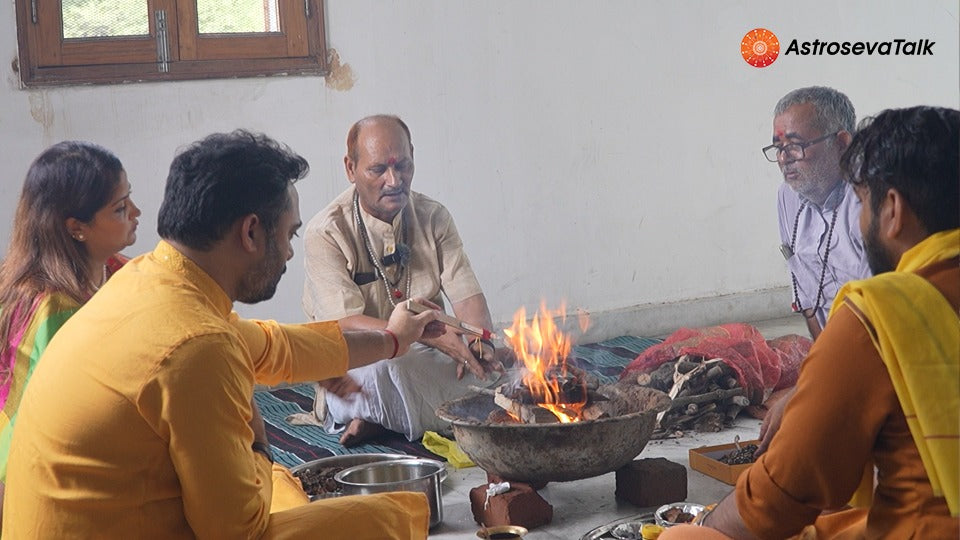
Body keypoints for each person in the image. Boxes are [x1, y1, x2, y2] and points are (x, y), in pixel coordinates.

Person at [2, 130, 443, 539]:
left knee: (299, 496)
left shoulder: (147, 279)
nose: (290, 252)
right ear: (250, 232)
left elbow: (276, 347)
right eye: (288, 235)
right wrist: (260, 443)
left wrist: (393, 340)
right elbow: (237, 532)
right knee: (383, 518)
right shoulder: (197, 346)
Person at [663, 106, 959, 539]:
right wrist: (813, 385)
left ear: (893, 209)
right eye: (778, 147)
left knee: (684, 538)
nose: (786, 157)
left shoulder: (882, 312)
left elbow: (780, 497)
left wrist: (703, 523)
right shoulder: (789, 202)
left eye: (864, 203)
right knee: (839, 521)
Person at [301, 114, 507, 447]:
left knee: (507, 361)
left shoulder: (433, 216)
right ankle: (402, 414)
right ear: (350, 168)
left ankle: (386, 421)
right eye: (378, 169)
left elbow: (467, 297)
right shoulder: (326, 231)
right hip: (359, 364)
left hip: (426, 355)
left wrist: (478, 345)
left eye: (403, 166)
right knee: (392, 372)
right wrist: (425, 335)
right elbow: (343, 324)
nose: (394, 180)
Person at [0, 141, 140, 525]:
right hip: (32, 481)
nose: (136, 213)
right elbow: (65, 423)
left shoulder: (118, 271)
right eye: (120, 208)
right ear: (76, 228)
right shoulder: (53, 308)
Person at [763, 86, 871, 340]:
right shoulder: (788, 196)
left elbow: (884, 308)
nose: (784, 158)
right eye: (778, 147)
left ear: (842, 143)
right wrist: (825, 352)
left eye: (795, 145)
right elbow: (808, 299)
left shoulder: (870, 198)